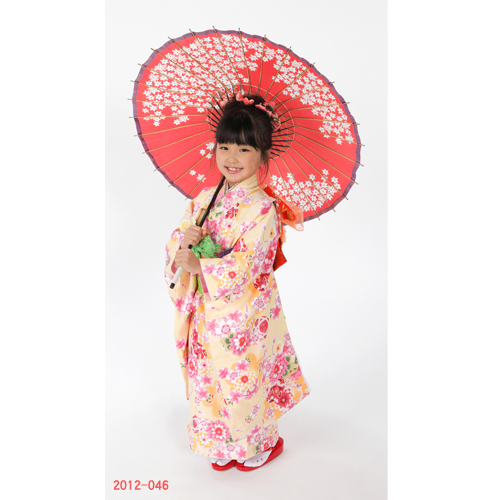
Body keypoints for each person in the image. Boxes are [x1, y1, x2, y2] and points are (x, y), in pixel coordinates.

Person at [164, 92, 310, 471]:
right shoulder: (203, 200)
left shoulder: (263, 209)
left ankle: (264, 442)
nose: (231, 157)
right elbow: (180, 243)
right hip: (207, 311)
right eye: (224, 146)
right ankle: (222, 441)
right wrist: (184, 242)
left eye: (244, 149)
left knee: (243, 379)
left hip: (246, 315)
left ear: (263, 155)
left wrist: (202, 267)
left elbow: (250, 265)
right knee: (210, 376)